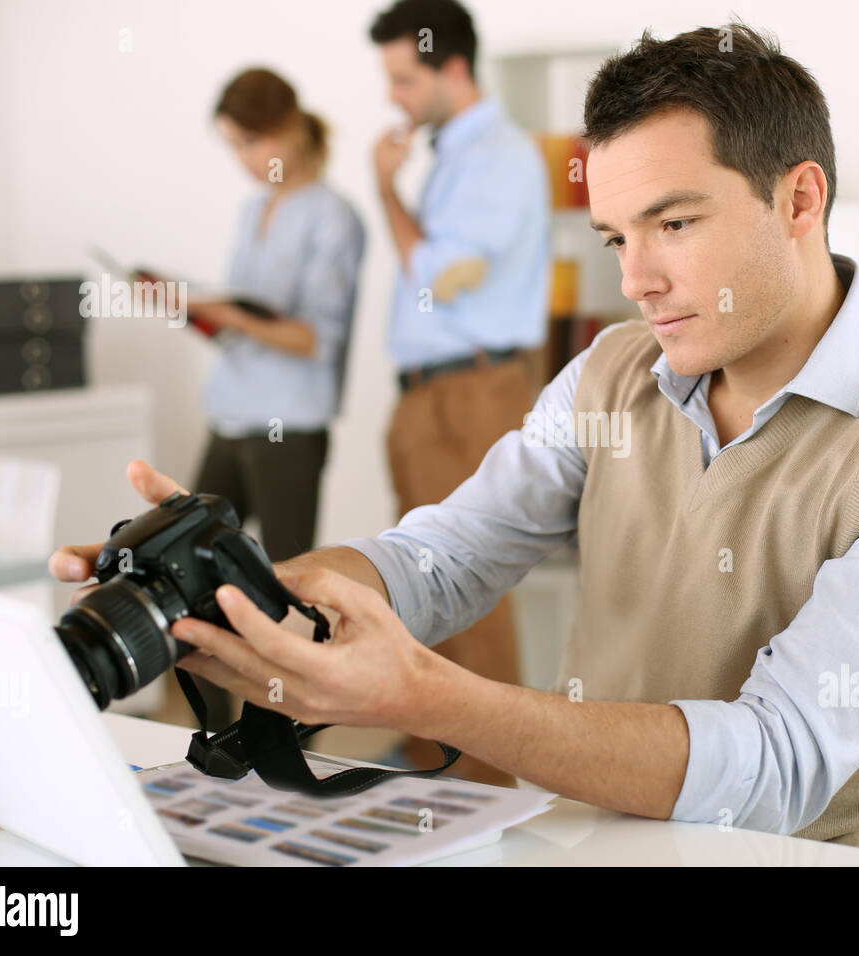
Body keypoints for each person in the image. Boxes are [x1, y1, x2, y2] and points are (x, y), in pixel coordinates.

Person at [51, 23, 859, 849]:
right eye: (613, 238)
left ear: (800, 200)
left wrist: (429, 696)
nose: (633, 278)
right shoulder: (613, 370)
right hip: (580, 842)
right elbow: (440, 558)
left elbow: (774, 764)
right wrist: (233, 597)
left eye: (672, 223)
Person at [366, 0, 549, 786]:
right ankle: (433, 764)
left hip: (466, 394)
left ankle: (485, 783)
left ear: (452, 68)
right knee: (421, 584)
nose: (394, 97)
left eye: (405, 79)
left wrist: (384, 190)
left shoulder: (497, 156)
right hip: (431, 396)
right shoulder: (455, 156)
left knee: (464, 587)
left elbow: (442, 274)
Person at [185, 67, 365, 726]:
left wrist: (230, 316)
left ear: (287, 130)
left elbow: (311, 337)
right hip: (231, 411)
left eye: (249, 143)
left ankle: (287, 733)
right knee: (194, 565)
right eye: (232, 146)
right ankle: (216, 730)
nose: (243, 161)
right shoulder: (251, 209)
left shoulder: (334, 217)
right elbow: (246, 319)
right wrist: (199, 312)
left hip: (290, 422)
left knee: (285, 589)